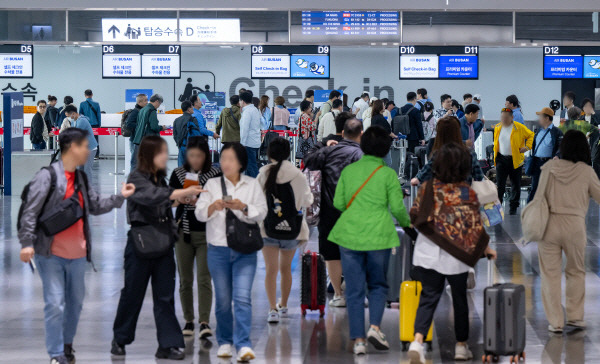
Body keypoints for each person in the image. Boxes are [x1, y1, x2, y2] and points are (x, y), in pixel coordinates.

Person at [18, 128, 134, 364]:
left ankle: (67, 345)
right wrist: (27, 243)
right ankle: (56, 353)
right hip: (50, 254)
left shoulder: (81, 178)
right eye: (84, 145)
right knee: (55, 303)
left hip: (79, 254)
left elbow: (95, 205)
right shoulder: (47, 176)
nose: (89, 150)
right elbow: (30, 212)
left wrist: (120, 196)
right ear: (72, 147)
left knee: (75, 303)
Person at [111, 136, 204, 361]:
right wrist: (178, 194)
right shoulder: (136, 178)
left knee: (164, 296)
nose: (166, 156)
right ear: (150, 155)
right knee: (132, 293)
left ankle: (168, 344)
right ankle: (120, 338)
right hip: (140, 244)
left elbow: (164, 200)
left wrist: (180, 200)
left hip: (163, 242)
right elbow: (150, 198)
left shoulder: (159, 179)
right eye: (162, 152)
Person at [407, 142, 496, 364]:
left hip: (428, 252)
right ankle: (461, 346)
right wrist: (486, 248)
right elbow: (475, 227)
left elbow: (414, 215)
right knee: (459, 300)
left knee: (428, 298)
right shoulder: (467, 193)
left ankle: (417, 342)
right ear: (463, 168)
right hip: (457, 256)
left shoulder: (428, 188)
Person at [328, 125, 411, 355]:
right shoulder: (388, 174)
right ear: (385, 150)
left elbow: (339, 204)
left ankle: (358, 341)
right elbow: (397, 208)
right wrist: (408, 226)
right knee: (377, 285)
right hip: (379, 235)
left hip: (350, 235)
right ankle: (375, 326)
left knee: (354, 290)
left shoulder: (350, 171)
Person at [195, 142, 268, 362]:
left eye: (230, 159)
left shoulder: (252, 184)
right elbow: (199, 213)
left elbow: (262, 213)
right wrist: (212, 207)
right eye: (223, 158)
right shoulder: (212, 184)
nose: (225, 163)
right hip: (217, 249)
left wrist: (242, 207)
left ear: (241, 163)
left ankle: (243, 343)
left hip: (245, 251)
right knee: (224, 299)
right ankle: (225, 341)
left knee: (243, 297)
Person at [537, 130, 600, 333]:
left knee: (550, 274)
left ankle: (555, 322)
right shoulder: (586, 172)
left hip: (549, 225)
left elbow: (538, 199)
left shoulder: (549, 168)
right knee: (576, 272)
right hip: (575, 227)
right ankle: (575, 317)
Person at [304, 115, 364, 308]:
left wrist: (322, 144)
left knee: (331, 253)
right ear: (360, 134)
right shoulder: (363, 154)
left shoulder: (329, 151)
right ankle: (357, 293)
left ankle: (338, 294)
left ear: (343, 133)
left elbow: (308, 160)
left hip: (329, 210)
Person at [169, 137, 221, 340]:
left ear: (206, 155)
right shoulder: (179, 173)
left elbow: (221, 201)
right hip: (183, 231)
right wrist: (180, 198)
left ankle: (204, 321)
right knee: (185, 279)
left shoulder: (215, 174)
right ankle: (189, 319)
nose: (195, 159)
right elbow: (169, 201)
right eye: (191, 155)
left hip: (207, 233)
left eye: (199, 155)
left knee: (204, 279)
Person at [257, 138, 313, 323]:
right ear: (289, 153)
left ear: (269, 154)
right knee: (286, 269)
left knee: (270, 270)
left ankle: (272, 309)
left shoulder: (263, 173)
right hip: (293, 229)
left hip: (268, 228)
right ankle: (284, 304)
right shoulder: (298, 174)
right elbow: (307, 201)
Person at [412, 116, 484, 186]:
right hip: (464, 194)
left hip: (443, 194)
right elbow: (479, 176)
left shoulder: (439, 154)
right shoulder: (469, 152)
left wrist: (416, 179)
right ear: (458, 132)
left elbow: (424, 173)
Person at [493, 107, 534, 215]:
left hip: (515, 159)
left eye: (506, 117)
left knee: (515, 184)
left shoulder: (519, 127)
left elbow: (531, 135)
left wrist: (527, 147)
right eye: (502, 117)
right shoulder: (497, 127)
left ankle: (513, 207)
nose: (504, 119)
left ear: (512, 117)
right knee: (500, 184)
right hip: (501, 159)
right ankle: (498, 206)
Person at [526, 107, 563, 203]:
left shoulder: (556, 132)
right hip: (537, 162)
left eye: (541, 117)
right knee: (535, 186)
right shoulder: (538, 131)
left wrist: (557, 155)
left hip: (549, 162)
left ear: (547, 118)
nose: (539, 119)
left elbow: (561, 146)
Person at [63, 105, 98, 178]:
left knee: (87, 170)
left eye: (68, 115)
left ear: (73, 113)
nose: (68, 118)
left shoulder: (82, 121)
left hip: (90, 149)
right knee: (80, 169)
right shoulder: (73, 120)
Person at [132, 94, 166, 166]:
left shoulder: (142, 110)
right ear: (157, 101)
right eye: (159, 103)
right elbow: (154, 127)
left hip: (139, 139)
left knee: (140, 163)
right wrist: (162, 128)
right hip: (149, 140)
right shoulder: (151, 110)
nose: (159, 106)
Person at [239, 91, 262, 178]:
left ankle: (257, 186)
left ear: (243, 101)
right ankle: (252, 187)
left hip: (248, 143)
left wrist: (242, 144)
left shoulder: (247, 112)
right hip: (255, 142)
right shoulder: (254, 109)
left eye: (240, 101)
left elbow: (245, 129)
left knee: (251, 166)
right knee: (250, 166)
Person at [173, 100, 201, 167]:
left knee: (181, 170)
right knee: (191, 171)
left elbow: (175, 135)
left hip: (181, 148)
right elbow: (197, 134)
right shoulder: (192, 119)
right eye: (191, 107)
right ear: (188, 109)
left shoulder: (176, 120)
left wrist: (179, 144)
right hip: (191, 149)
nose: (193, 108)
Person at [125, 93, 148, 170]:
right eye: (145, 100)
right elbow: (129, 124)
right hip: (135, 141)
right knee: (135, 162)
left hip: (141, 140)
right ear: (139, 102)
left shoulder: (142, 111)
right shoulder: (135, 112)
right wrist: (141, 126)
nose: (147, 102)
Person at [79, 89, 101, 158]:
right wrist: (99, 125)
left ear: (85, 95)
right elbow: (98, 115)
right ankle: (96, 155)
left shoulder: (82, 104)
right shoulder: (96, 104)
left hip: (85, 124)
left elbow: (80, 115)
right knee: (95, 139)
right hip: (95, 124)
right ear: (92, 95)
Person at [581, 98, 600, 178]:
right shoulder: (580, 119)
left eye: (589, 106)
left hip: (594, 146)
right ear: (583, 108)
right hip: (584, 148)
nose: (587, 108)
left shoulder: (595, 118)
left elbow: (598, 126)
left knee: (595, 169)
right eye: (586, 106)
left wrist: (594, 114)